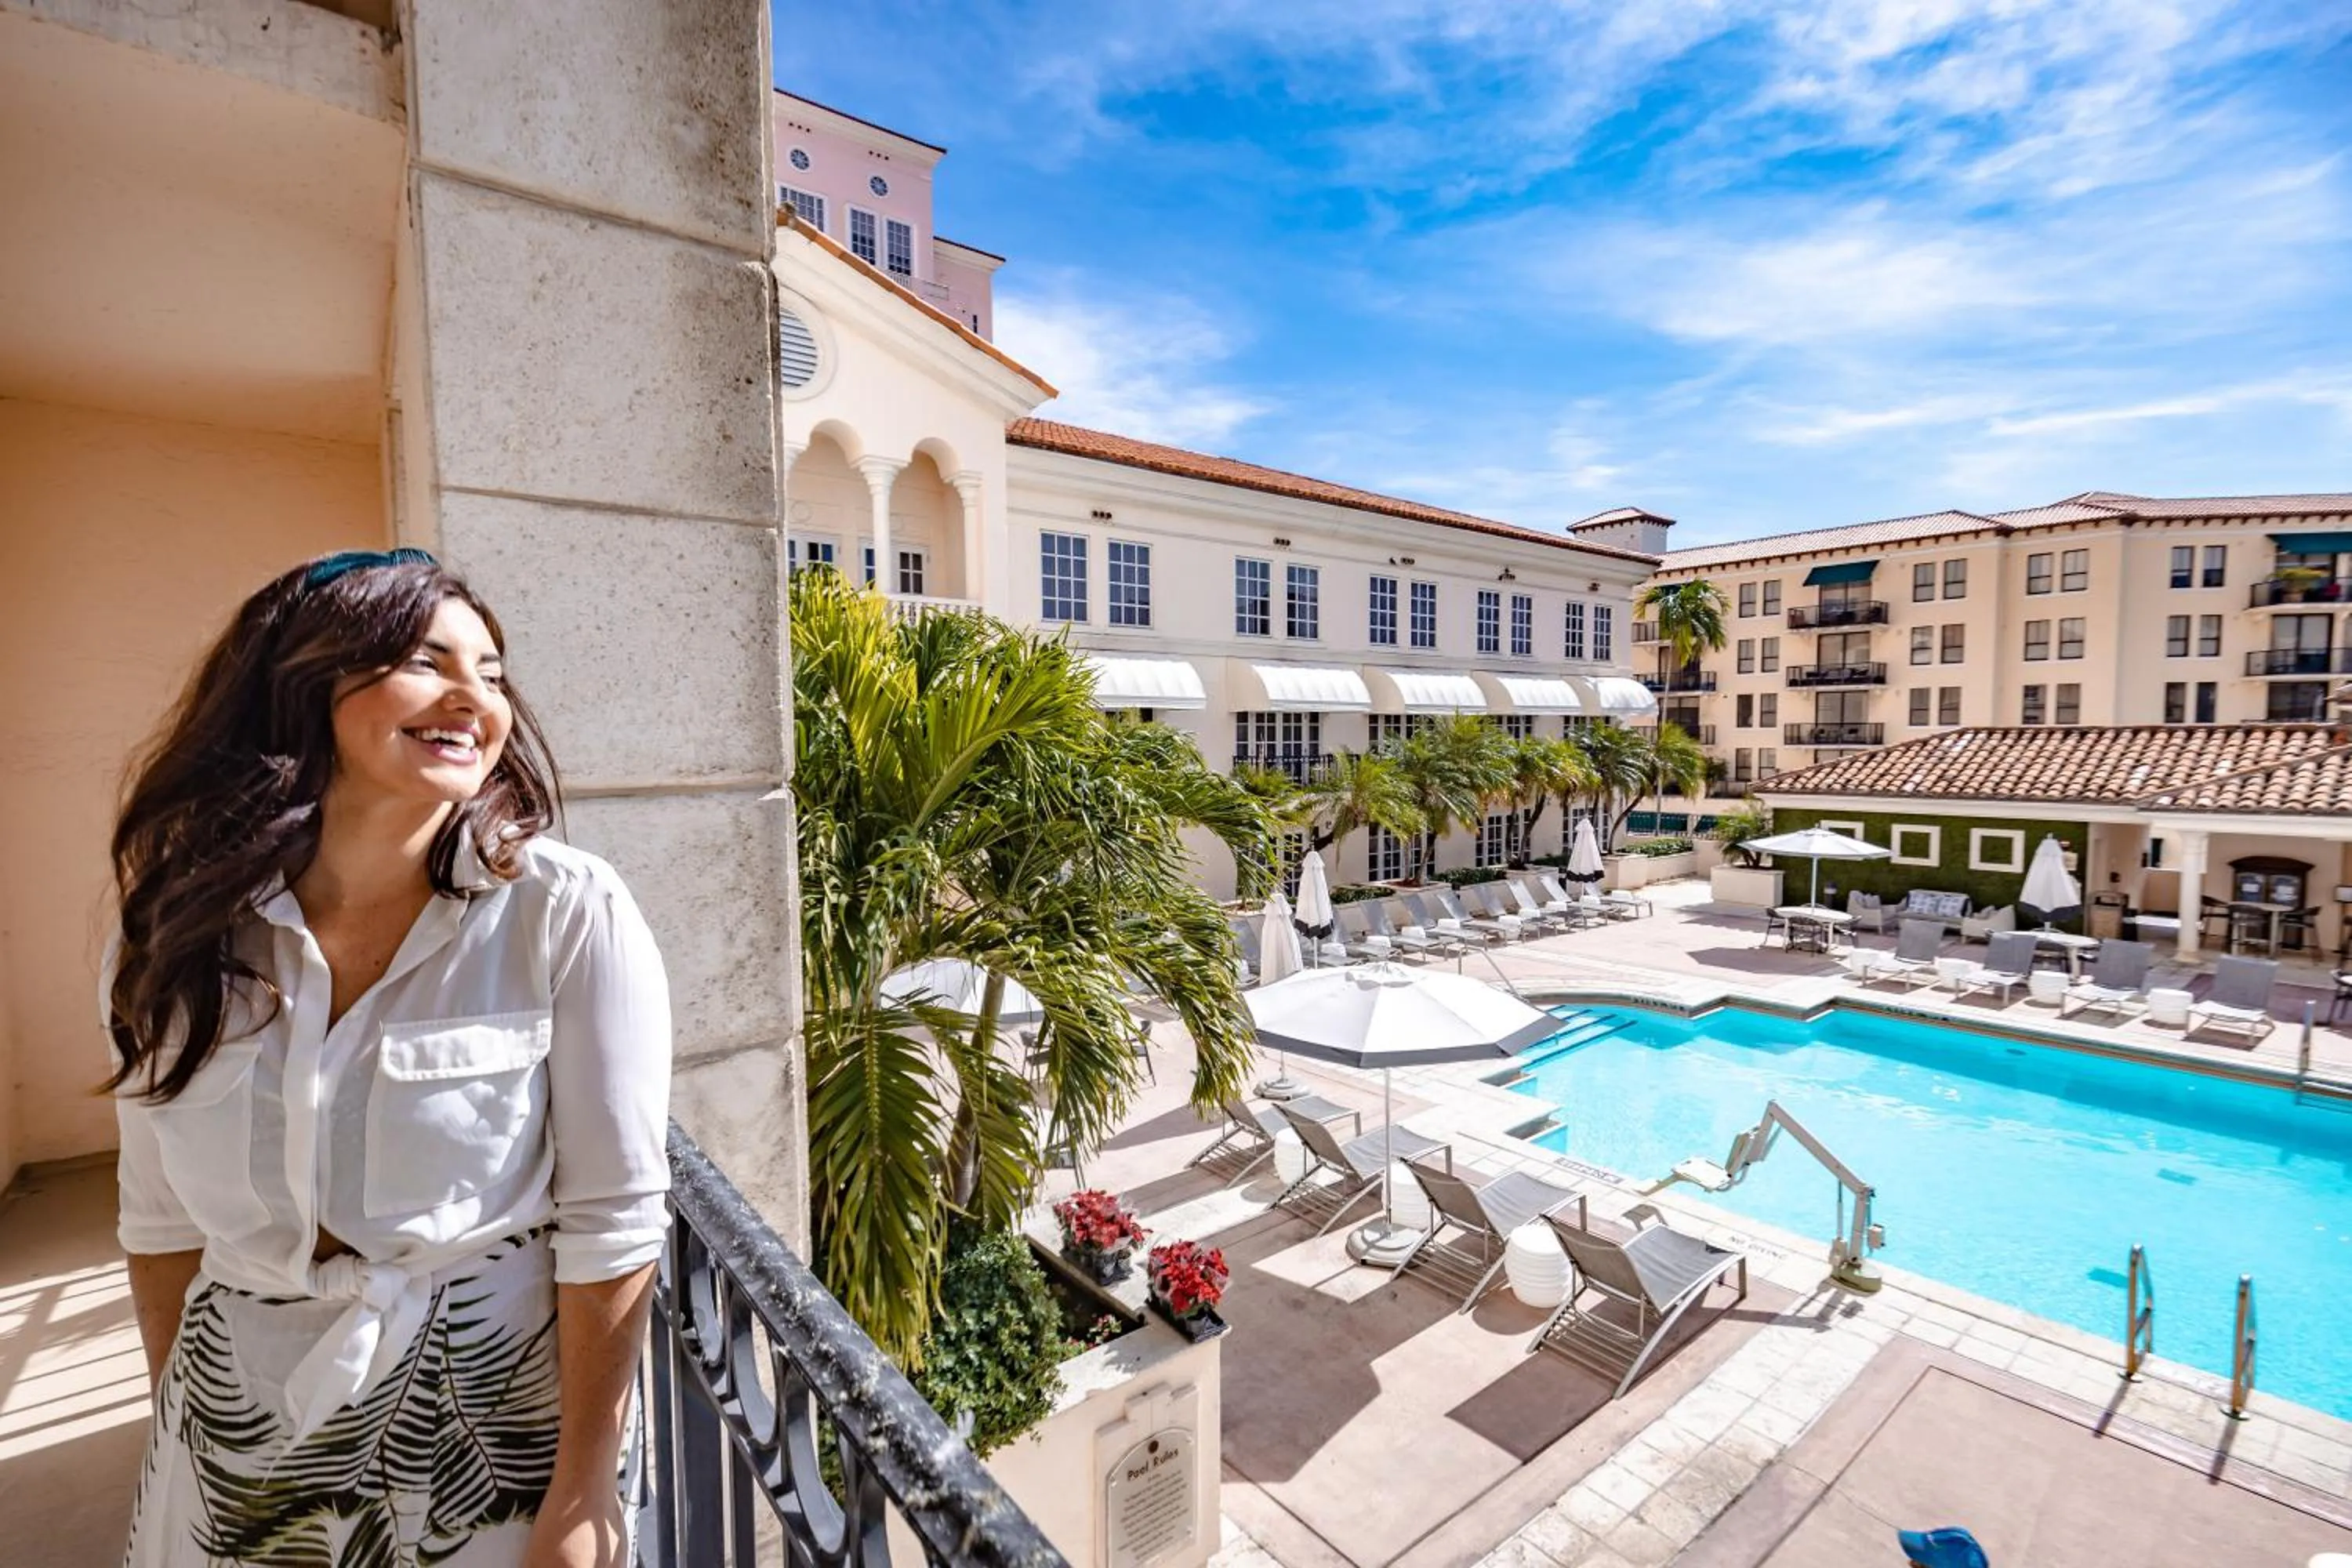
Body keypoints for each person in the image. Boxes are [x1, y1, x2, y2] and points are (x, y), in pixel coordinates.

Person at [107, 549, 672, 1567]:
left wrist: (586, 1491)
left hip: (483, 1432)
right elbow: (157, 1223)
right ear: (297, 681)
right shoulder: (172, 932)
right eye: (427, 659)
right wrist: (182, 1431)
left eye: (493, 673)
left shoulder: (560, 911)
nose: (474, 695)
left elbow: (613, 1220)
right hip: (236, 1428)